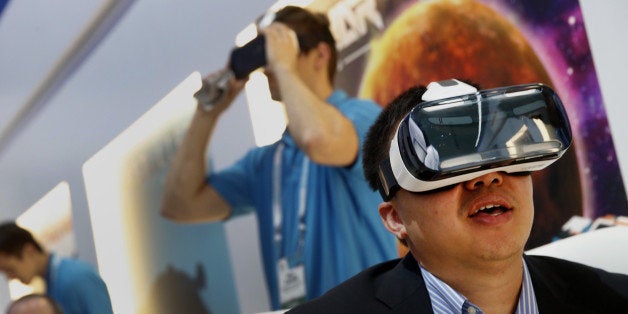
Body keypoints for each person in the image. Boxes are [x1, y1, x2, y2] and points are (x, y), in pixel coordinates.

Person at [287, 80, 628, 313]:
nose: (486, 177)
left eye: (499, 149)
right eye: (444, 161)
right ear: (395, 219)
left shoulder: (613, 299)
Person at [160, 5, 396, 310]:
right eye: (267, 54)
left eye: (281, 47)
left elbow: (317, 139)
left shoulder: (362, 116)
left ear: (321, 55)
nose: (268, 66)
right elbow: (179, 205)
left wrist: (284, 67)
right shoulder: (266, 162)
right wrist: (207, 113)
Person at [0, 222, 113, 314]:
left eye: (9, 269)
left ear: (29, 251)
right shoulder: (53, 283)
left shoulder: (75, 278)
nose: (10, 277)